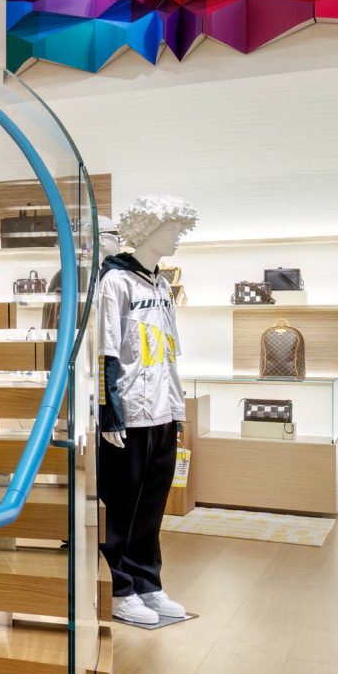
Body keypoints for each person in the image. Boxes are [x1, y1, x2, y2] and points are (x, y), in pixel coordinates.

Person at [97, 194, 198, 628]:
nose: (176, 237)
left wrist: (177, 407)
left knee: (153, 505)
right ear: (147, 230)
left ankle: (147, 582)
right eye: (170, 228)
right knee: (122, 506)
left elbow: (169, 352)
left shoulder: (160, 284)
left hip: (162, 409)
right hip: (130, 413)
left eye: (178, 229)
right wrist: (110, 412)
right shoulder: (114, 283)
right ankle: (118, 588)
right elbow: (106, 352)